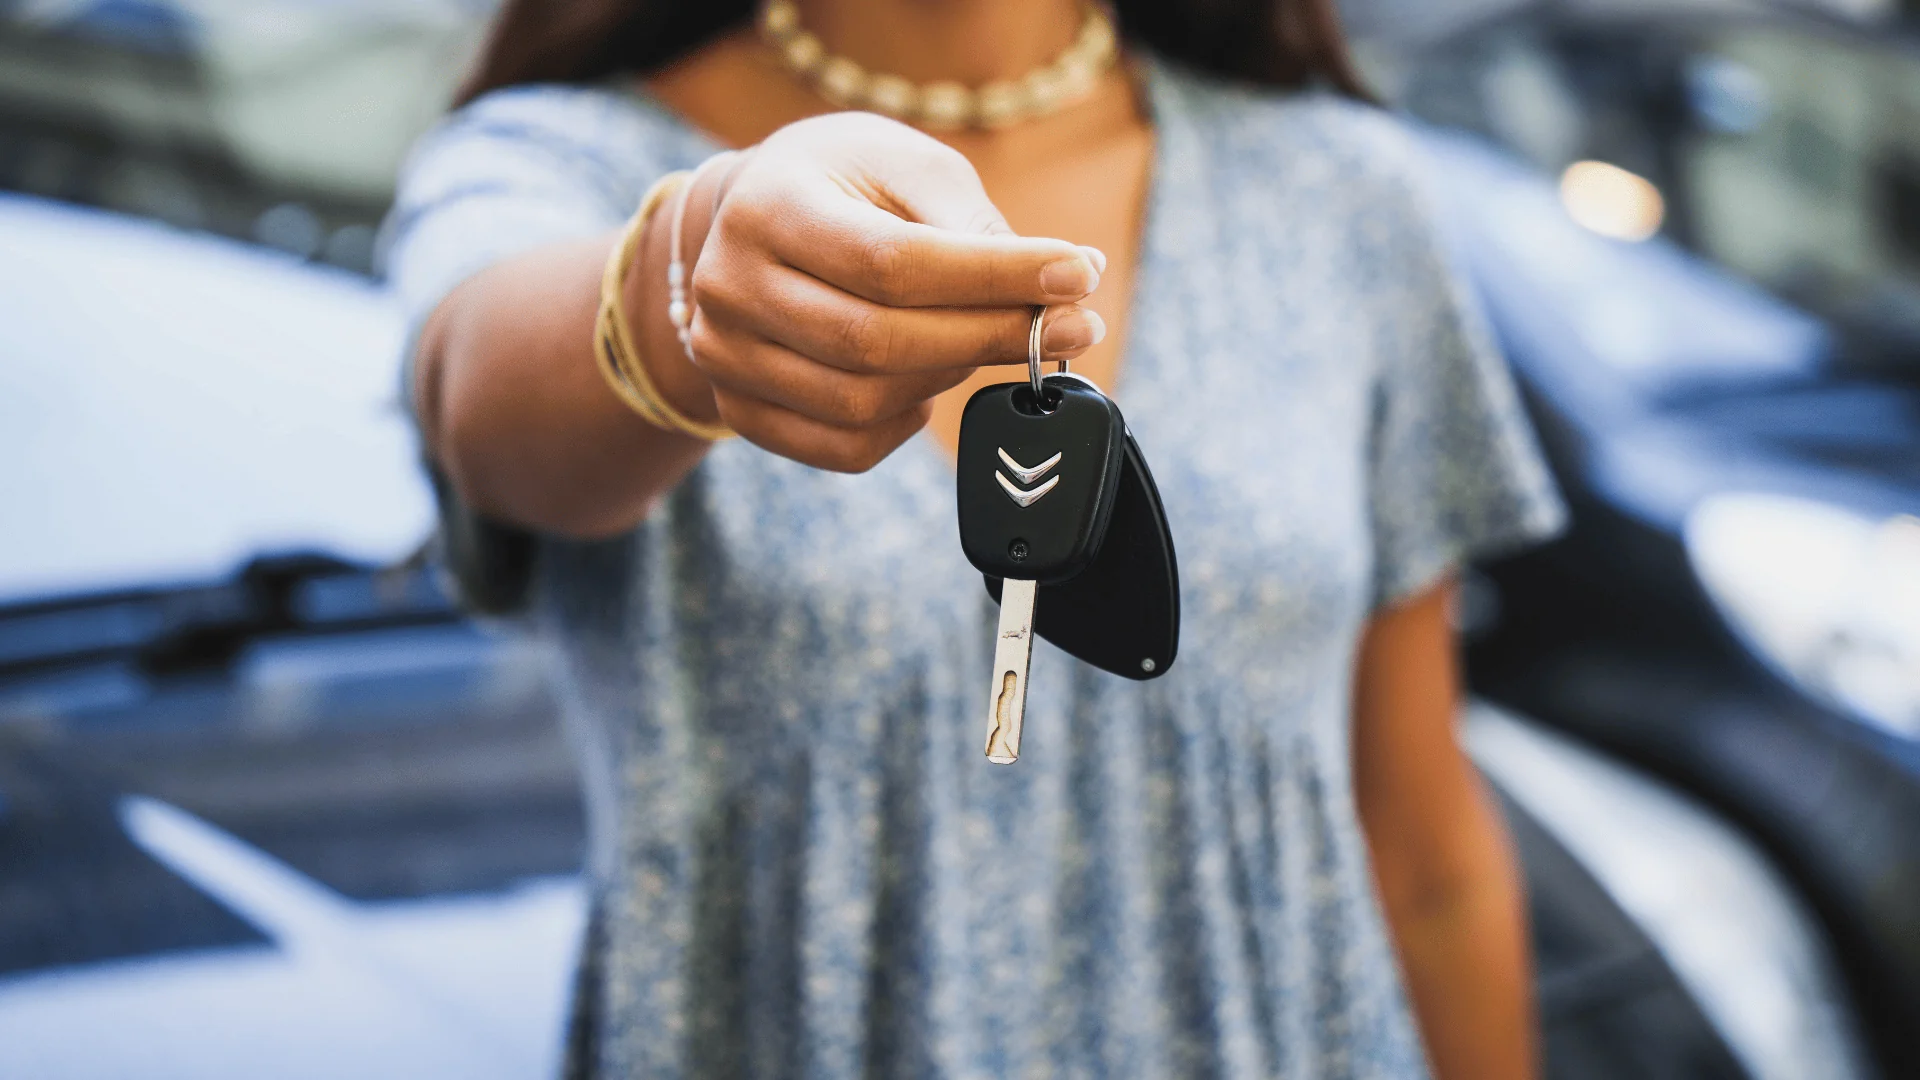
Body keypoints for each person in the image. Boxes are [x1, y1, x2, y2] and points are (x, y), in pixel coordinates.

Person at [384, 1, 1565, 1076]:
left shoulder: (1342, 188)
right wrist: (681, 280)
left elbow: (1426, 856)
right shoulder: (550, 161)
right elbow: (480, 405)